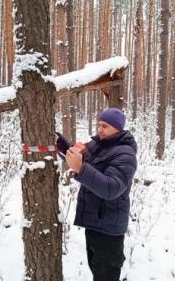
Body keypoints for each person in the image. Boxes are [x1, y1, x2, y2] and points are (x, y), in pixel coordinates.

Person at [56, 107, 137, 281]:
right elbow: (77, 156)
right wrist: (60, 143)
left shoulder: (126, 154)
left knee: (106, 276)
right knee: (97, 271)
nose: (100, 129)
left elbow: (112, 188)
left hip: (109, 230)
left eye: (105, 126)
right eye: (99, 124)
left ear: (118, 128)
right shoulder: (97, 145)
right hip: (95, 224)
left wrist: (80, 169)